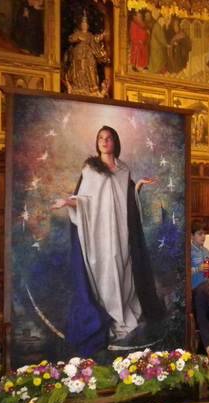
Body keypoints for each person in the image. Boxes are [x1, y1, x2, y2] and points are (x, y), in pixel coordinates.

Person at [51, 125, 166, 355]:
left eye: (109, 138)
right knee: (104, 272)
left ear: (115, 142)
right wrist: (67, 202)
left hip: (121, 232)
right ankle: (109, 315)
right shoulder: (90, 169)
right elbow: (84, 200)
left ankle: (121, 312)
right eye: (101, 138)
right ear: (97, 143)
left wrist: (138, 186)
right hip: (99, 235)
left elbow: (127, 200)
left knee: (122, 271)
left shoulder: (124, 170)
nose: (104, 142)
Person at [64, 13, 109, 96]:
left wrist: (100, 54)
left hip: (88, 56)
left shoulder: (90, 35)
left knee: (90, 68)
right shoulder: (77, 33)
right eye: (83, 24)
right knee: (78, 69)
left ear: (87, 26)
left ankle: (92, 87)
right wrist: (78, 39)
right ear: (81, 25)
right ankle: (77, 86)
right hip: (78, 55)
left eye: (85, 24)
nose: (84, 26)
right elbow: (70, 39)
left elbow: (94, 45)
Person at [191, 219, 209, 289]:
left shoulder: (206, 251)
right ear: (192, 236)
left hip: (205, 288)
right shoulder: (188, 252)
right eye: (200, 234)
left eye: (204, 233)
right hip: (193, 289)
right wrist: (198, 269)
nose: (203, 236)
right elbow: (183, 273)